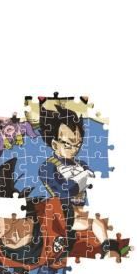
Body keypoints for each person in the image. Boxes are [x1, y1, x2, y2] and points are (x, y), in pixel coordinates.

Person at [38, 104, 112, 255]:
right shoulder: (48, 166)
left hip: (84, 211)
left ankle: (108, 247)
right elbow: (64, 190)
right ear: (54, 144)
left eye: (78, 144)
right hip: (63, 216)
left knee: (99, 220)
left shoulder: (81, 164)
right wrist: (84, 177)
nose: (75, 149)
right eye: (68, 144)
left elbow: (95, 185)